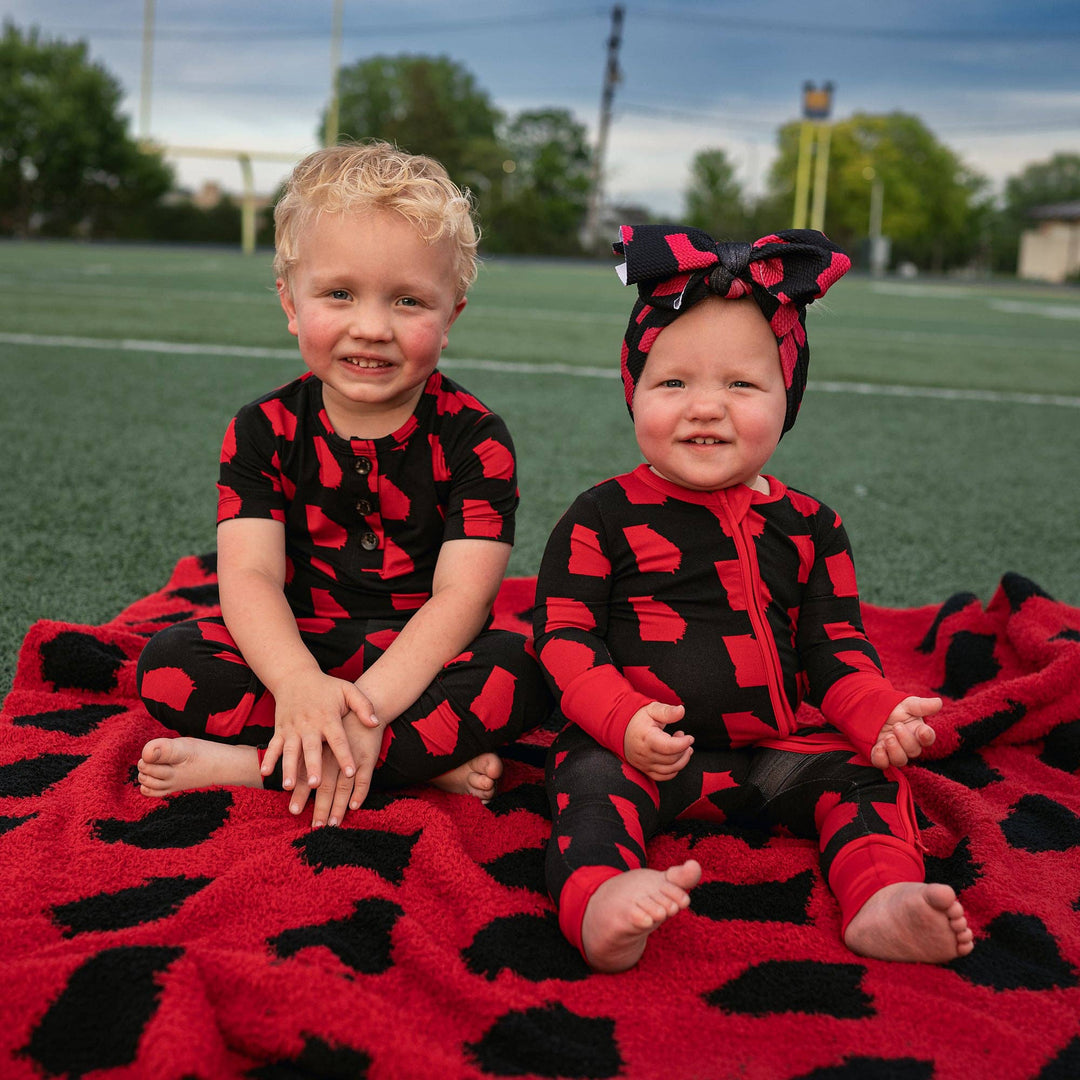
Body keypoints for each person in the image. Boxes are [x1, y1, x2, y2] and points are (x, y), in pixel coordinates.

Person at [533, 224, 975, 972]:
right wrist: (620, 716)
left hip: (768, 758)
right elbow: (563, 635)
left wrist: (874, 711)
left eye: (741, 385)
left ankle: (881, 898)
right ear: (634, 393)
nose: (706, 407)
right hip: (645, 754)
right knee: (588, 784)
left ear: (787, 398)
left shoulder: (812, 526)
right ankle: (602, 900)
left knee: (868, 778)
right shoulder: (601, 514)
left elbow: (834, 648)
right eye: (672, 383)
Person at [136, 142, 551, 827]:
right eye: (339, 293)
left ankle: (256, 768)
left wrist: (372, 707)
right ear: (290, 302)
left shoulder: (477, 437)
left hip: (422, 658)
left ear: (451, 317)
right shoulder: (262, 428)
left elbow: (462, 597)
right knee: (170, 662)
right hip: (299, 642)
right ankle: (408, 763)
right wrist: (298, 684)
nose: (371, 327)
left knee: (526, 670)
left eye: (409, 300)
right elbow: (251, 578)